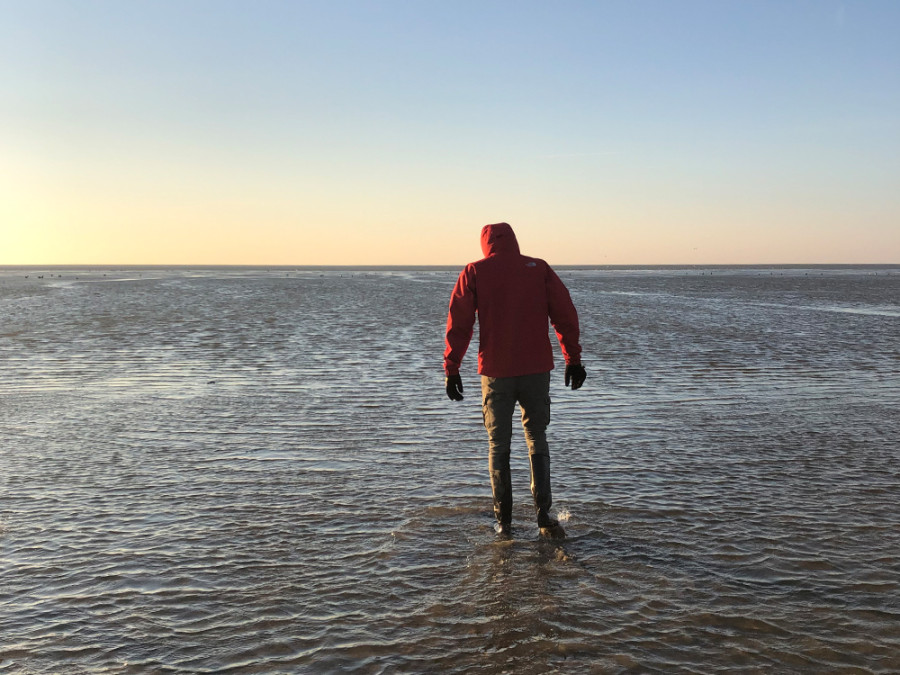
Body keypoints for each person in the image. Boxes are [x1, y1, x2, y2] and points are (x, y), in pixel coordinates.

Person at [443, 222, 586, 539]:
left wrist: (452, 367)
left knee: (498, 445)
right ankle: (544, 517)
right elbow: (565, 313)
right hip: (536, 372)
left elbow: (459, 322)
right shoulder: (539, 269)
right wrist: (573, 359)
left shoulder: (475, 271)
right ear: (514, 241)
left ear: (486, 244)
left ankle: (503, 523)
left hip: (496, 374)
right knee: (537, 437)